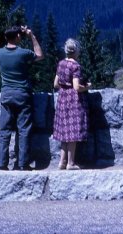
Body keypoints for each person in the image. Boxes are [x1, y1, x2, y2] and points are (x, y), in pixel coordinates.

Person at [0, 25, 44, 171]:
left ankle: (2, 163)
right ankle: (23, 163)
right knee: (24, 129)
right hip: (22, 94)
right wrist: (31, 36)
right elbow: (40, 55)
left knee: (4, 130)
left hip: (6, 94)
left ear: (5, 37)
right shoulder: (23, 53)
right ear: (18, 37)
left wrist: (19, 32)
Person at [53, 38, 91, 170]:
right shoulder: (75, 66)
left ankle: (61, 162)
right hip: (73, 100)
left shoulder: (61, 64)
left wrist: (65, 85)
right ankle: (70, 163)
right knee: (72, 133)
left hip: (62, 98)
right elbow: (76, 87)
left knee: (64, 132)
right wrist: (87, 87)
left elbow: (55, 84)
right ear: (76, 51)